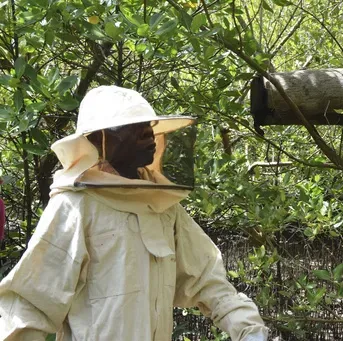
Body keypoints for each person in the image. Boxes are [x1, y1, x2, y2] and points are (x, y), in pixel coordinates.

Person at [0, 86, 268, 341]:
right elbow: (31, 304)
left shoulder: (162, 205)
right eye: (133, 128)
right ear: (98, 138)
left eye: (148, 127)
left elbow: (207, 279)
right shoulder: (75, 205)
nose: (148, 135)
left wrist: (247, 329)